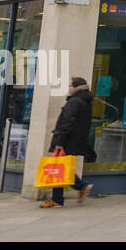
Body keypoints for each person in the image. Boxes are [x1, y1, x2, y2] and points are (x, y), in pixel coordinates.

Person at [40, 78, 93, 209]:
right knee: (62, 169)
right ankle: (79, 187)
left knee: (58, 169)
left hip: (67, 141)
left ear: (76, 87)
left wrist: (59, 142)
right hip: (75, 141)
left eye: (70, 85)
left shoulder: (74, 102)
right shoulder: (84, 101)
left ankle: (62, 196)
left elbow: (67, 123)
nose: (68, 88)